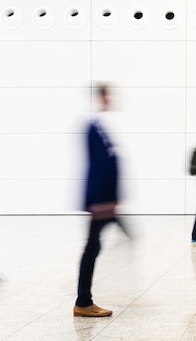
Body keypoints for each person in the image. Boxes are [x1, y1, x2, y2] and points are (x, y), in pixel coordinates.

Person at [74, 84, 120, 317]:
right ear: (102, 97)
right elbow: (99, 167)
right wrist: (105, 203)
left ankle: (84, 300)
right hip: (100, 200)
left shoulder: (98, 126)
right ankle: (83, 302)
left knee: (93, 246)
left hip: (104, 200)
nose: (111, 99)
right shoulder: (93, 127)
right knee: (92, 247)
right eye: (108, 94)